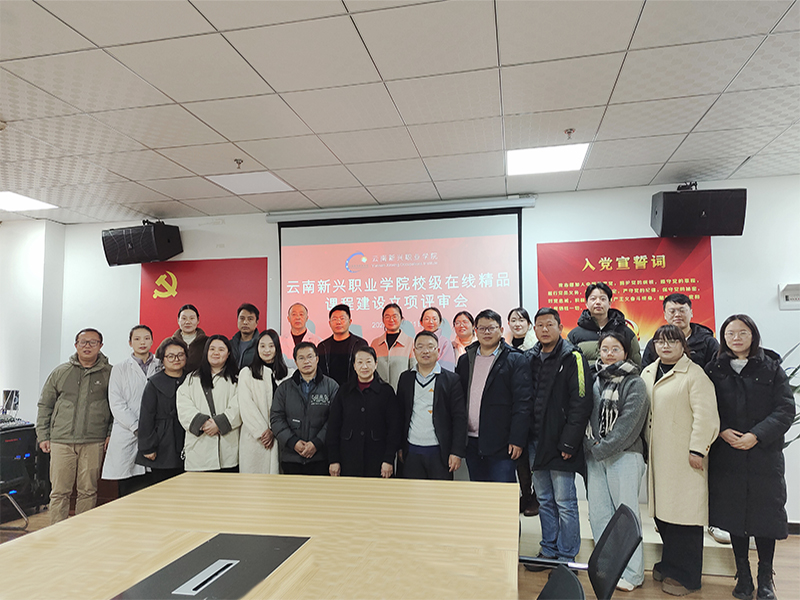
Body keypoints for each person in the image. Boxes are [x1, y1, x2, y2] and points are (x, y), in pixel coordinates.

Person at [705, 315, 794, 600]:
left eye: (742, 332)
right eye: (730, 333)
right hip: (728, 454)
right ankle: (743, 576)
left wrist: (756, 435)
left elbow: (785, 409)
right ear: (723, 338)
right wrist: (721, 430)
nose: (736, 338)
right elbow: (705, 407)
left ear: (753, 335)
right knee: (735, 517)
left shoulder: (771, 367)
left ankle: (765, 579)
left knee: (765, 516)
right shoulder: (714, 369)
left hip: (763, 455)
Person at [641, 293, 727, 544]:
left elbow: (708, 404)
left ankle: (708, 527)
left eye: (682, 310)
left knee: (689, 501)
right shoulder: (650, 367)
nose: (666, 346)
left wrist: (698, 448)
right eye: (672, 310)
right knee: (665, 498)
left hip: (690, 434)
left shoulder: (705, 348)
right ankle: (668, 547)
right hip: (660, 439)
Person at [641, 325, 719, 596]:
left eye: (672, 341)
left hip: (685, 458)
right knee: (664, 516)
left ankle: (688, 577)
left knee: (685, 518)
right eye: (660, 341)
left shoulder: (694, 374)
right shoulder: (648, 372)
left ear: (683, 345)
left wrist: (698, 449)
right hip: (658, 457)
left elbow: (706, 416)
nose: (665, 346)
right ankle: (671, 565)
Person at [526, 308, 592, 567]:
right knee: (544, 499)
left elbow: (582, 401)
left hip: (561, 442)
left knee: (565, 502)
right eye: (540, 325)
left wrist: (569, 441)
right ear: (534, 329)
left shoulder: (572, 356)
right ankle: (549, 550)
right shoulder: (530, 358)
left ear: (560, 327)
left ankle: (567, 556)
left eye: (549, 324)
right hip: (535, 441)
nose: (544, 329)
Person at [584, 331, 649, 592]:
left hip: (625, 455)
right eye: (605, 349)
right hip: (595, 456)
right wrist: (592, 446)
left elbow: (629, 424)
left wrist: (603, 447)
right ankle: (607, 569)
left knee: (626, 516)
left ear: (626, 352)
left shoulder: (635, 382)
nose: (609, 354)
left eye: (615, 349)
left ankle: (633, 574)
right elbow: (583, 416)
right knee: (599, 514)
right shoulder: (593, 379)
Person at [36, 328, 113, 524]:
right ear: (76, 345)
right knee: (59, 491)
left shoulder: (110, 373)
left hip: (93, 440)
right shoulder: (61, 372)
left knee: (88, 490)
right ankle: (56, 531)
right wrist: (43, 435)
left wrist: (110, 433)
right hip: (61, 441)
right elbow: (45, 405)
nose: (87, 346)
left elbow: (116, 407)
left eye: (93, 342)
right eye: (83, 342)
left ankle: (82, 532)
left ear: (100, 346)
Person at [455, 309, 532, 483]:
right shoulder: (465, 360)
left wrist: (517, 439)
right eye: (482, 328)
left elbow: (523, 403)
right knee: (479, 492)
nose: (486, 332)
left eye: (491, 328)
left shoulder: (515, 359)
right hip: (471, 441)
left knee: (502, 493)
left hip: (502, 442)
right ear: (475, 331)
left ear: (501, 330)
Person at [397, 331, 467, 480]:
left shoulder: (451, 380)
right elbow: (400, 415)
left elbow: (459, 418)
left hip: (440, 453)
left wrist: (456, 451)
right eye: (420, 347)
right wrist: (399, 447)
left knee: (440, 493)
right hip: (411, 450)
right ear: (414, 351)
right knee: (412, 492)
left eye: (430, 347)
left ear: (438, 351)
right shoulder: (405, 378)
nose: (425, 351)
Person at [102, 325, 161, 496]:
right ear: (130, 342)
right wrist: (137, 427)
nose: (142, 342)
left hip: (155, 431)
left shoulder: (161, 365)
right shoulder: (119, 368)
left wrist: (148, 430)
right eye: (137, 339)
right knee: (128, 486)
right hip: (127, 431)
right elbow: (117, 403)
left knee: (153, 486)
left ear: (152, 341)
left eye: (146, 338)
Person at [328, 347, 402, 478]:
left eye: (368, 361)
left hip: (378, 460)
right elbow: (333, 426)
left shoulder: (386, 392)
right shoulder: (344, 391)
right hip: (348, 458)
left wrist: (389, 459)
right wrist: (334, 459)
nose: (364, 366)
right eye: (360, 362)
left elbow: (394, 429)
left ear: (376, 364)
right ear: (354, 366)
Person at [271, 342, 339, 475]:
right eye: (301, 358)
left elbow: (335, 420)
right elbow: (276, 418)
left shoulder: (331, 387)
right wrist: (293, 442)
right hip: (291, 457)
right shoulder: (284, 388)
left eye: (310, 357)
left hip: (321, 457)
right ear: (296, 362)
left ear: (317, 359)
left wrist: (317, 443)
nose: (306, 361)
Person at [176, 335, 241, 472]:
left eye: (221, 349)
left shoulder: (236, 380)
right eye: (212, 349)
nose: (216, 353)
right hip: (199, 451)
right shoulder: (192, 378)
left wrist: (219, 424)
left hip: (227, 453)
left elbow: (239, 407)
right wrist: (203, 423)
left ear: (228, 353)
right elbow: (183, 406)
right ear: (206, 352)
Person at [137, 337, 188, 484]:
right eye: (170, 356)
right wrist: (148, 447)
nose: (176, 359)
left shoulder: (192, 379)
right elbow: (146, 416)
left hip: (187, 438)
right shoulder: (154, 383)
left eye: (180, 355)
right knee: (164, 486)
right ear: (162, 359)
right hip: (163, 441)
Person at [505, 307, 539, 516]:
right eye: (513, 320)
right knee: (520, 458)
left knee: (533, 458)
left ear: (529, 324)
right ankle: (525, 494)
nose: (517, 324)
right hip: (514, 410)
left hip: (534, 410)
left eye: (521, 320)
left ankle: (536, 497)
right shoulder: (506, 348)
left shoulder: (536, 347)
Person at [237, 330, 283, 474]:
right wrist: (263, 431)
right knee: (254, 483)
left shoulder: (287, 374)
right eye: (262, 346)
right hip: (256, 438)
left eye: (271, 346)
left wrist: (275, 430)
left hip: (280, 438)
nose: (266, 350)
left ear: (277, 348)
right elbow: (246, 406)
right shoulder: (247, 373)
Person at [568, 282, 641, 367]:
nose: (598, 302)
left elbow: (636, 365)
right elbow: (568, 365)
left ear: (609, 303)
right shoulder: (574, 335)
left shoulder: (625, 332)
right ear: (586, 304)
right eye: (593, 299)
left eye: (602, 299)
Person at [642, 293, 719, 369]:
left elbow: (717, 370)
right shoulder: (656, 343)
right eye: (672, 311)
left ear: (691, 313)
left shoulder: (707, 341)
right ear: (665, 315)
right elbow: (646, 370)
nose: (677, 315)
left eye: (682, 311)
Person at [317, 304, 368, 386]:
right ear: (329, 323)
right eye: (334, 319)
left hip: (354, 390)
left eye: (342, 318)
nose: (338, 322)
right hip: (329, 391)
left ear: (350, 321)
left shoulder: (360, 344)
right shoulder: (322, 347)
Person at [370, 303, 415, 391]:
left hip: (402, 392)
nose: (391, 320)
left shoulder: (410, 342)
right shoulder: (375, 343)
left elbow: (413, 371)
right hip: (379, 393)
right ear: (383, 320)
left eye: (395, 316)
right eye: (387, 317)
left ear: (401, 319)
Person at [279, 302, 321, 367]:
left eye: (301, 314)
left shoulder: (317, 341)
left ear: (307, 318)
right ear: (288, 318)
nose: (297, 317)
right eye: (294, 314)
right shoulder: (280, 341)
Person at [171, 304, 207, 372]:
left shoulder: (208, 342)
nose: (188, 322)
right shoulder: (169, 343)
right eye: (184, 318)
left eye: (192, 318)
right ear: (178, 320)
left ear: (198, 320)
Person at [420, 306, 456, 371]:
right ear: (421, 322)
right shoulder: (416, 341)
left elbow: (447, 367)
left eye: (434, 319)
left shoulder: (445, 342)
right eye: (427, 319)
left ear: (440, 322)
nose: (431, 322)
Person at [231, 303, 260, 370]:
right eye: (242, 318)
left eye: (250, 319)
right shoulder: (230, 344)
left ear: (256, 322)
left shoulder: (260, 345)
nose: (245, 322)